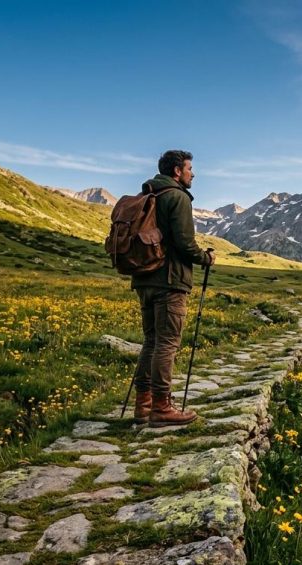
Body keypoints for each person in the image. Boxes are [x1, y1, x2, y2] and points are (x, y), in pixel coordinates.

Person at [130, 149, 216, 425]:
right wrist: (205, 258)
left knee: (151, 342)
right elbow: (184, 243)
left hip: (145, 279)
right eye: (190, 168)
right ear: (177, 171)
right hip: (169, 281)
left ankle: (143, 404)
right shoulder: (177, 197)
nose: (193, 174)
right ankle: (161, 407)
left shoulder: (149, 195)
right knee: (167, 343)